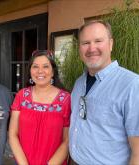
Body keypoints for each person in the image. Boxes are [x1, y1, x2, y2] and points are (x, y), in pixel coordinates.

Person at [69, 20, 139, 165]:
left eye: (98, 41)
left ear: (111, 44)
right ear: (79, 48)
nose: (91, 48)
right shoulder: (78, 83)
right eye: (85, 43)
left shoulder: (132, 85)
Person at [9, 50, 71, 165]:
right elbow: (12, 133)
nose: (40, 71)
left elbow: (67, 140)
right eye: (35, 66)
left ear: (53, 72)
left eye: (46, 66)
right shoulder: (22, 96)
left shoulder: (66, 99)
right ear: (30, 71)